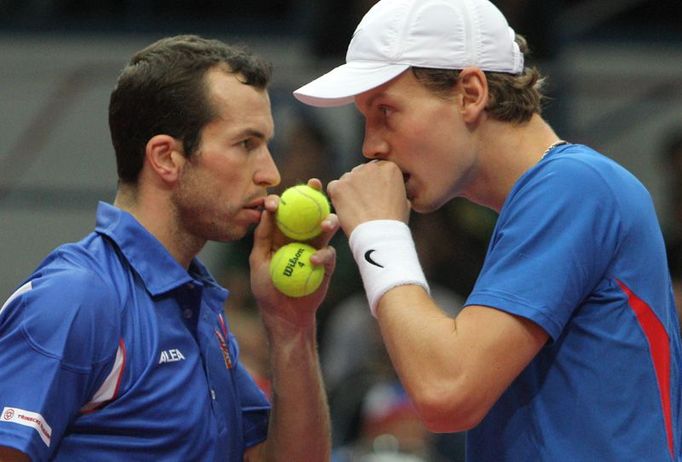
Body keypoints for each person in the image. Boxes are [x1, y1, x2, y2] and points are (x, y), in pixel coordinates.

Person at [293, 0, 682, 460]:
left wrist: (379, 234)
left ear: (471, 93)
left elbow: (445, 391)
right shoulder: (548, 196)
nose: (371, 146)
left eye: (386, 111)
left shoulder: (574, 186)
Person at [0, 35, 336, 461]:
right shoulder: (77, 298)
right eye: (246, 144)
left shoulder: (196, 306)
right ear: (166, 158)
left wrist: (292, 326)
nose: (270, 173)